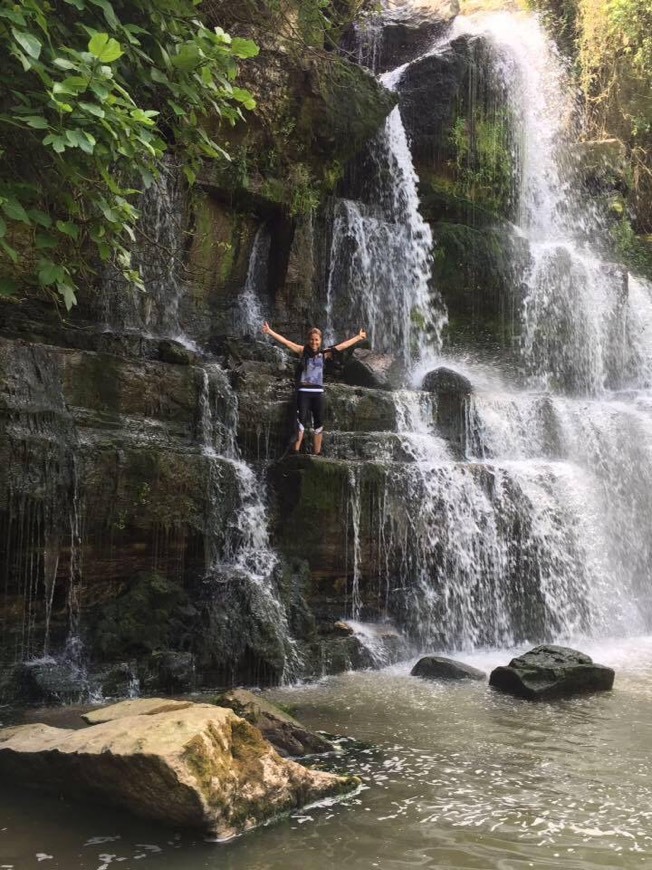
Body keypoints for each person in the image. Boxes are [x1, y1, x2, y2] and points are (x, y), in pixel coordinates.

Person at [262, 322, 367, 455]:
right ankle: (295, 451)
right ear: (308, 340)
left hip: (318, 393)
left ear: (320, 340)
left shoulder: (325, 354)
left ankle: (317, 453)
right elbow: (286, 342)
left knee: (319, 422)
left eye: (316, 339)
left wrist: (358, 337)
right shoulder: (302, 351)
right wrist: (270, 332)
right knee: (301, 422)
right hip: (304, 392)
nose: (314, 342)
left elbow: (342, 346)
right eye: (312, 339)